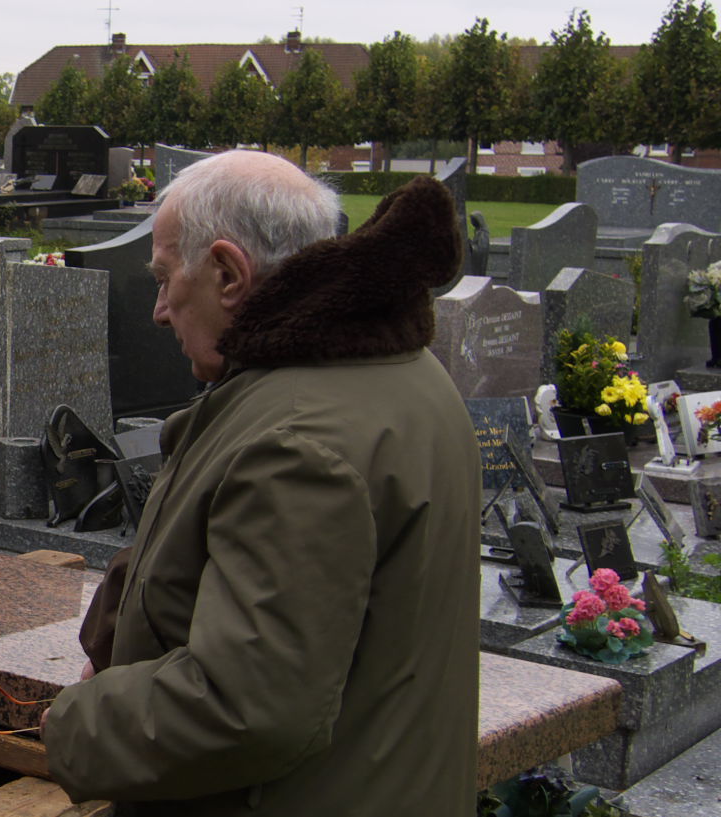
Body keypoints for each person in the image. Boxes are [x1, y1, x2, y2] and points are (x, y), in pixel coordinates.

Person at [41, 151, 480, 816]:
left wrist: (74, 728)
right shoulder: (395, 373)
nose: (159, 309)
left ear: (227, 273)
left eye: (165, 278)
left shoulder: (299, 441)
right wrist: (114, 632)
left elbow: (247, 704)